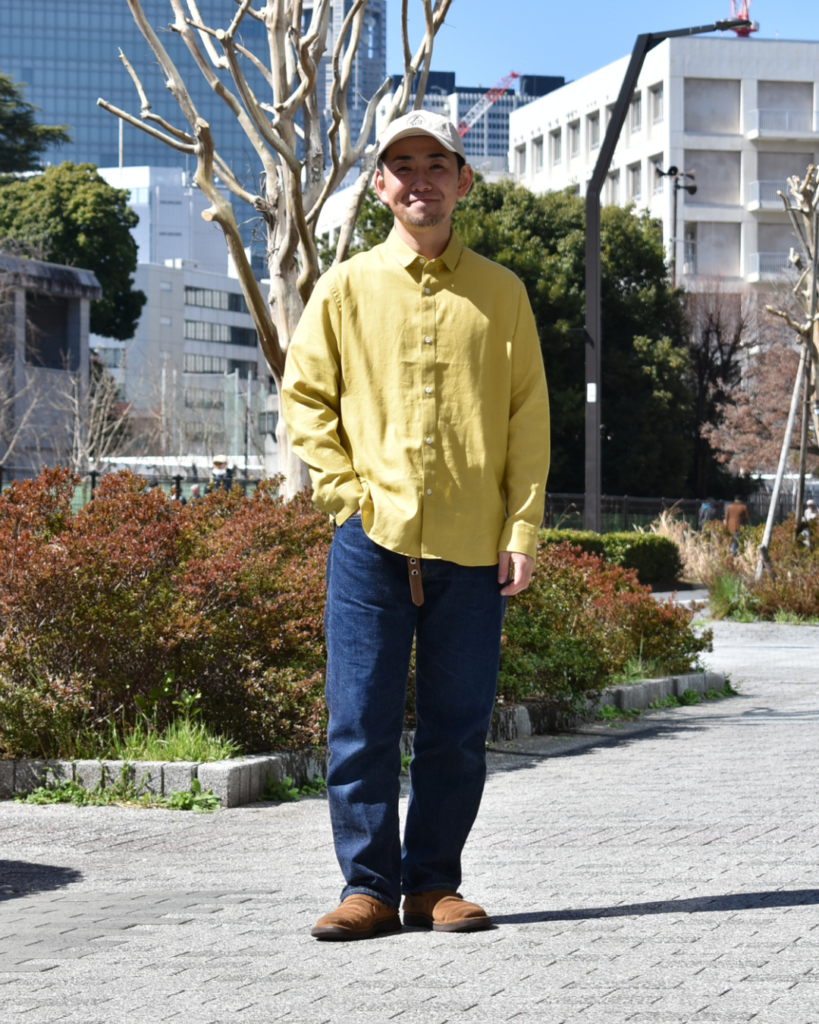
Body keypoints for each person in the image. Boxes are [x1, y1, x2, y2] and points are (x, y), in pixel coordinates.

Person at [282, 110, 551, 941]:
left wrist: (521, 530)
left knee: (456, 730)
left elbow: (527, 418)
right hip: (371, 541)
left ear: (463, 181)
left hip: (472, 548)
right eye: (402, 166)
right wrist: (344, 495)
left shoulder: (502, 293)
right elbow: (305, 397)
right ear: (379, 186)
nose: (419, 180)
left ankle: (433, 884)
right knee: (358, 721)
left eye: (436, 164)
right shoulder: (345, 288)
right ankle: (366, 886)